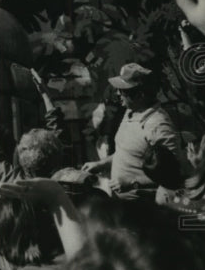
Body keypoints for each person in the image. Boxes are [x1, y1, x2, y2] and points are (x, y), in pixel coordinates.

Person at [82, 63, 191, 198]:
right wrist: (101, 164)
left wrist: (134, 184)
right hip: (122, 205)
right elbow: (128, 153)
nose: (118, 94)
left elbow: (173, 175)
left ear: (140, 95)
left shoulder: (158, 125)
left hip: (144, 207)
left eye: (122, 91)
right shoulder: (131, 111)